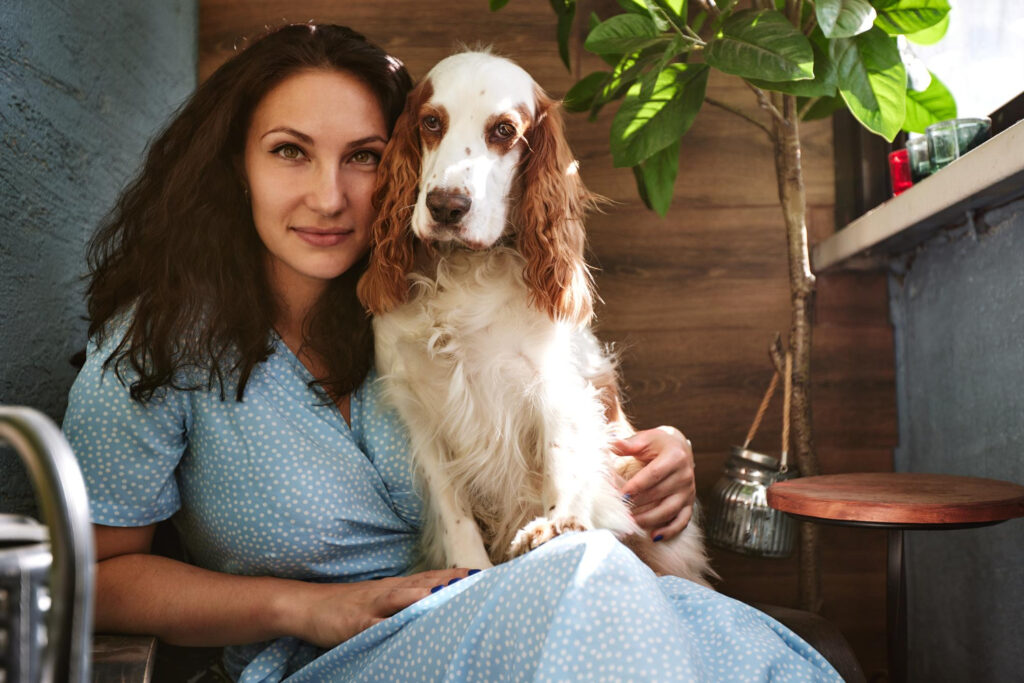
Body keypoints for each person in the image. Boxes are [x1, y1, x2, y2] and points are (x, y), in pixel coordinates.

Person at [63, 23, 840, 682]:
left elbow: (591, 436)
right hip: (339, 660)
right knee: (599, 590)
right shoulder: (155, 345)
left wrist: (658, 451)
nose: (330, 196)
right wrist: (305, 606)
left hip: (541, 619)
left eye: (363, 156)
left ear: (400, 165)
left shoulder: (435, 293)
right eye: (290, 152)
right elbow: (95, 576)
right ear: (236, 165)